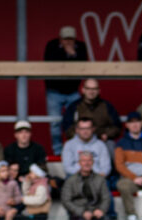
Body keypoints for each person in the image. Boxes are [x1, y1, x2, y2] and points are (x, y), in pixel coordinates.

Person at [43, 26, 88, 155]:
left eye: (71, 39)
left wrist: (73, 55)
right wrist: (65, 53)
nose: (68, 42)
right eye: (65, 39)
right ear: (60, 39)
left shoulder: (81, 47)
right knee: (55, 124)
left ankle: (73, 151)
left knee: (74, 123)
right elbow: (49, 64)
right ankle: (58, 152)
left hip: (73, 91)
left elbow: (84, 65)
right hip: (54, 92)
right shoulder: (52, 46)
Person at [62, 151, 112, 220]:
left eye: (89, 160)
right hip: (78, 213)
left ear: (93, 162)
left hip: (95, 212)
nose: (86, 163)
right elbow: (66, 200)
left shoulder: (100, 179)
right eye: (84, 160)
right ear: (79, 163)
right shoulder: (71, 180)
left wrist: (100, 210)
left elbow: (106, 198)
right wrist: (81, 212)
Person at [63, 79, 121, 158]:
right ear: (83, 90)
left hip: (102, 140)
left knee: (111, 146)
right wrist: (81, 136)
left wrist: (106, 135)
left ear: (99, 90)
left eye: (94, 89)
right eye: (88, 88)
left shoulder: (107, 106)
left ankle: (111, 171)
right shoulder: (74, 106)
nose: (91, 91)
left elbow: (117, 126)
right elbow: (67, 128)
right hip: (80, 141)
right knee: (69, 146)